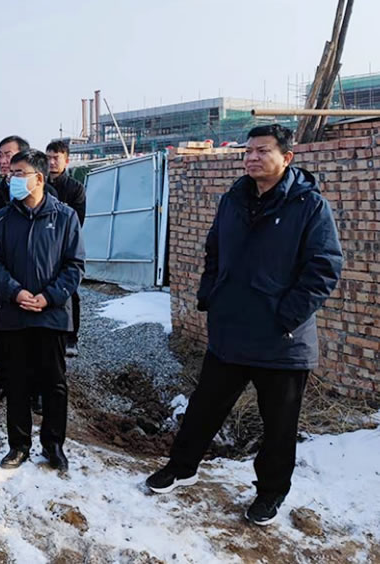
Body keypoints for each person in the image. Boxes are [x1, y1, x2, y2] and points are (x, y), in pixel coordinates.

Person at [145, 124, 342, 526]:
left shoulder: (310, 206)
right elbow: (214, 250)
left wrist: (286, 317)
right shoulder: (234, 199)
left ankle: (270, 492)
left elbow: (324, 269)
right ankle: (182, 467)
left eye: (262, 151)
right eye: (248, 151)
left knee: (279, 425)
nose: (252, 158)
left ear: (287, 157)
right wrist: (210, 295)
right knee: (205, 406)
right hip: (231, 329)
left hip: (282, 340)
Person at [0, 149, 84, 471]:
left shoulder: (65, 217)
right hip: (13, 314)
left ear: (38, 178)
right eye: (10, 174)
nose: (11, 179)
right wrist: (15, 291)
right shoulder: (2, 218)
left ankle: (53, 445)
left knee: (54, 383)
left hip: (51, 315)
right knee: (16, 382)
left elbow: (74, 265)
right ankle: (19, 445)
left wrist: (48, 297)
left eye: (18, 174)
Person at [0, 135, 57, 410]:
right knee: (3, 335)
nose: (3, 161)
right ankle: (3, 382)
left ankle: (37, 391)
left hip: (39, 281)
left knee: (37, 339)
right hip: (3, 281)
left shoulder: (50, 197)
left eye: (8, 155)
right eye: (0, 155)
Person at [45, 140, 87, 358]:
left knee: (70, 293)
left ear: (66, 160)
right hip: (42, 248)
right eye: (48, 158)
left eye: (56, 158)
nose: (51, 162)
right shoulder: (38, 184)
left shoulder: (75, 188)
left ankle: (72, 338)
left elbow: (77, 222)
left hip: (65, 248)